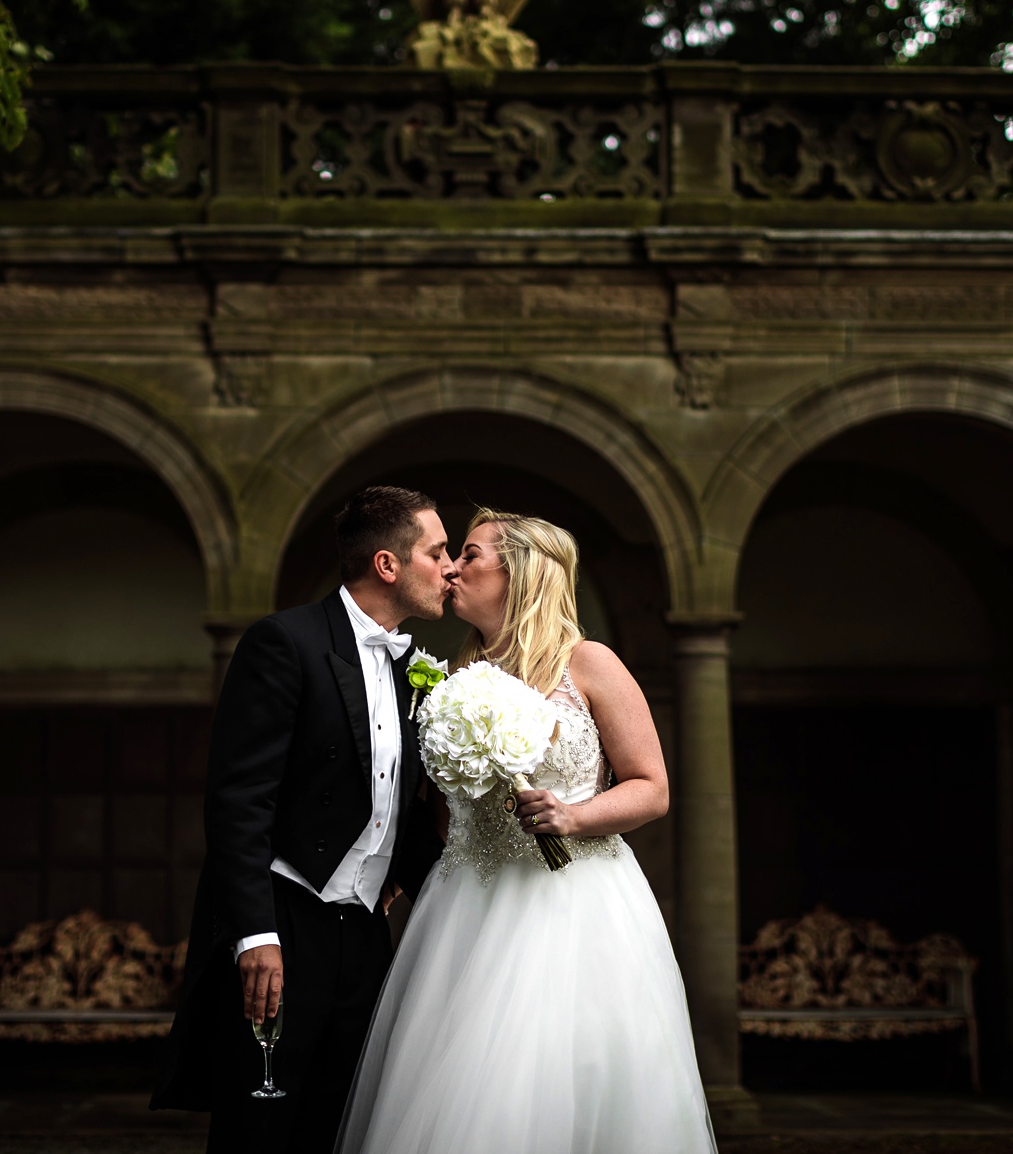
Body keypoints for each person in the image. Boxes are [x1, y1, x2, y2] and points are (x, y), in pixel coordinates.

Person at [335, 508, 717, 1153]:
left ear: (522, 573)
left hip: (575, 907)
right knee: (459, 1087)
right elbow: (436, 808)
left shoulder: (589, 664)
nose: (452, 568)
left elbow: (652, 787)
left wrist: (573, 816)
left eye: (471, 555)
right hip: (464, 905)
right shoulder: (452, 678)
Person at [153, 486, 453, 1153]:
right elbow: (239, 800)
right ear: (387, 564)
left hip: (366, 933)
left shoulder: (414, 670)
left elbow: (392, 802)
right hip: (286, 922)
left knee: (340, 1124)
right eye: (436, 553)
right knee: (259, 1126)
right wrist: (255, 935)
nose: (449, 568)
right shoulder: (284, 642)